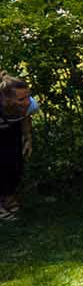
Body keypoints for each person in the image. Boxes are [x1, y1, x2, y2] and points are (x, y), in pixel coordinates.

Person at [0, 75, 33, 221]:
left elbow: (26, 117)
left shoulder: (30, 104)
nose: (26, 102)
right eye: (21, 99)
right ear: (6, 99)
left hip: (11, 130)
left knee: (15, 163)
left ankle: (7, 197)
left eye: (28, 97)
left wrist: (27, 139)